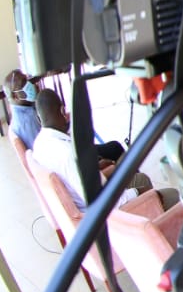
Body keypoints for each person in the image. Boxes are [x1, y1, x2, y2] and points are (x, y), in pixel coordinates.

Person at [31, 89, 159, 210]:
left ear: (39, 118)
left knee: (125, 162)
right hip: (101, 210)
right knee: (144, 182)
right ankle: (154, 210)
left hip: (82, 196)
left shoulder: (39, 144)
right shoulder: (68, 154)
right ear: (63, 110)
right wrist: (137, 192)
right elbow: (97, 201)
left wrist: (98, 170)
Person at [3, 69, 41, 150]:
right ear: (15, 96)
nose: (30, 85)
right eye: (24, 84)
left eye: (27, 80)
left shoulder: (22, 108)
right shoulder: (26, 120)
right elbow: (40, 149)